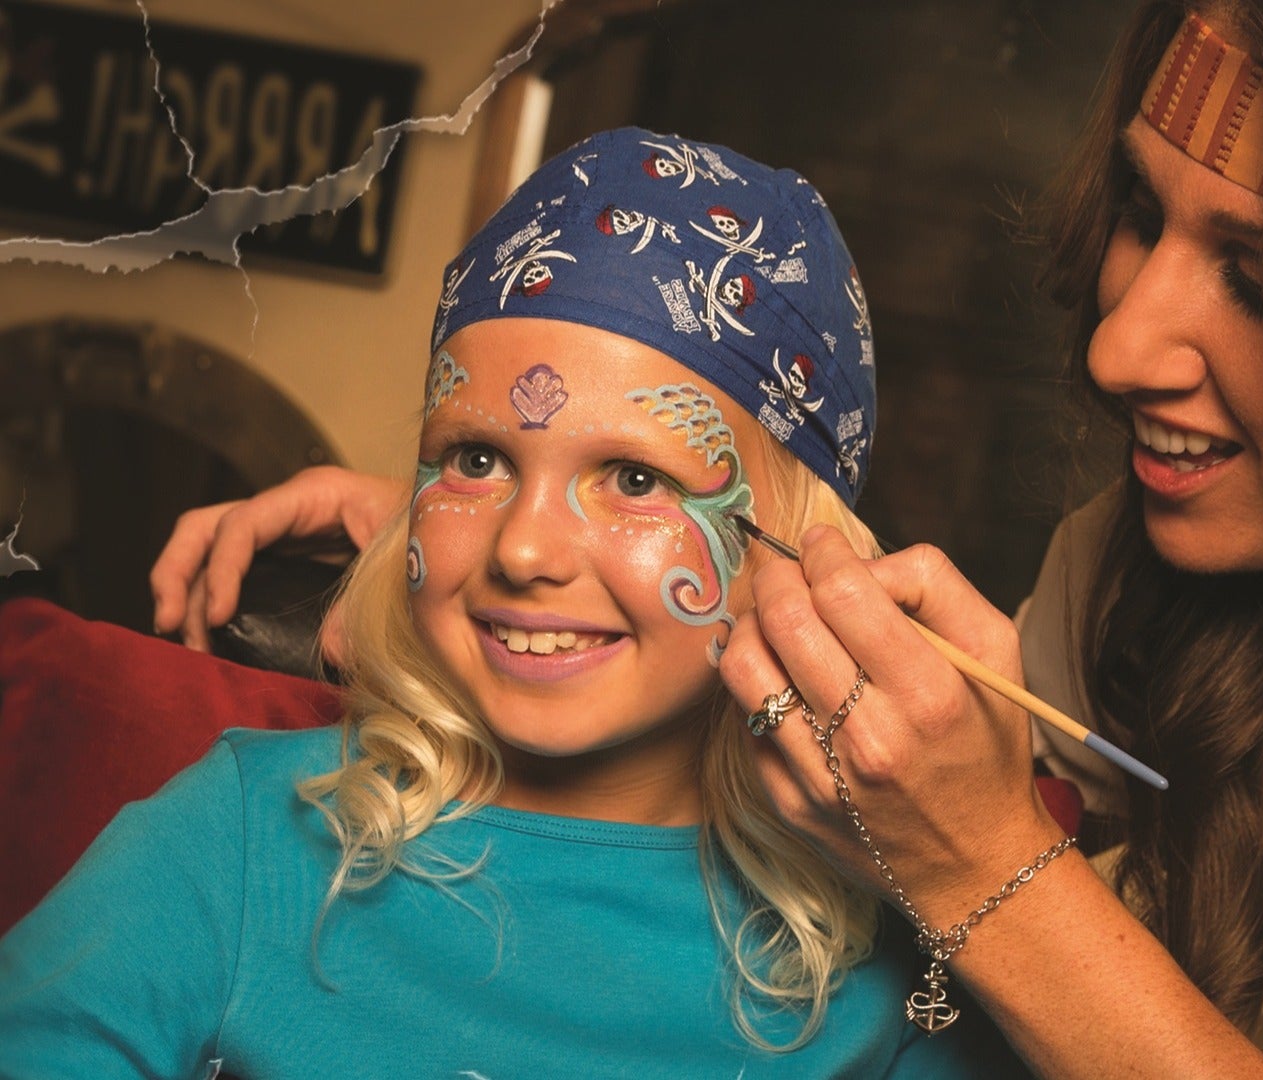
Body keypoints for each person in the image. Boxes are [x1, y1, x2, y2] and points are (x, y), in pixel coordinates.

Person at [147, 1, 1263, 1077]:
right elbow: (782, 642)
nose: (1122, 342)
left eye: (1262, 269)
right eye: (1145, 220)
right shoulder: (1148, 590)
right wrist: (470, 544)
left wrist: (995, 869)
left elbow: (969, 834)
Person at [2, 128, 1022, 1078]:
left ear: (798, 555)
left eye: (632, 479)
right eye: (477, 459)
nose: (524, 550)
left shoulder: (901, 962)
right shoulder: (241, 840)